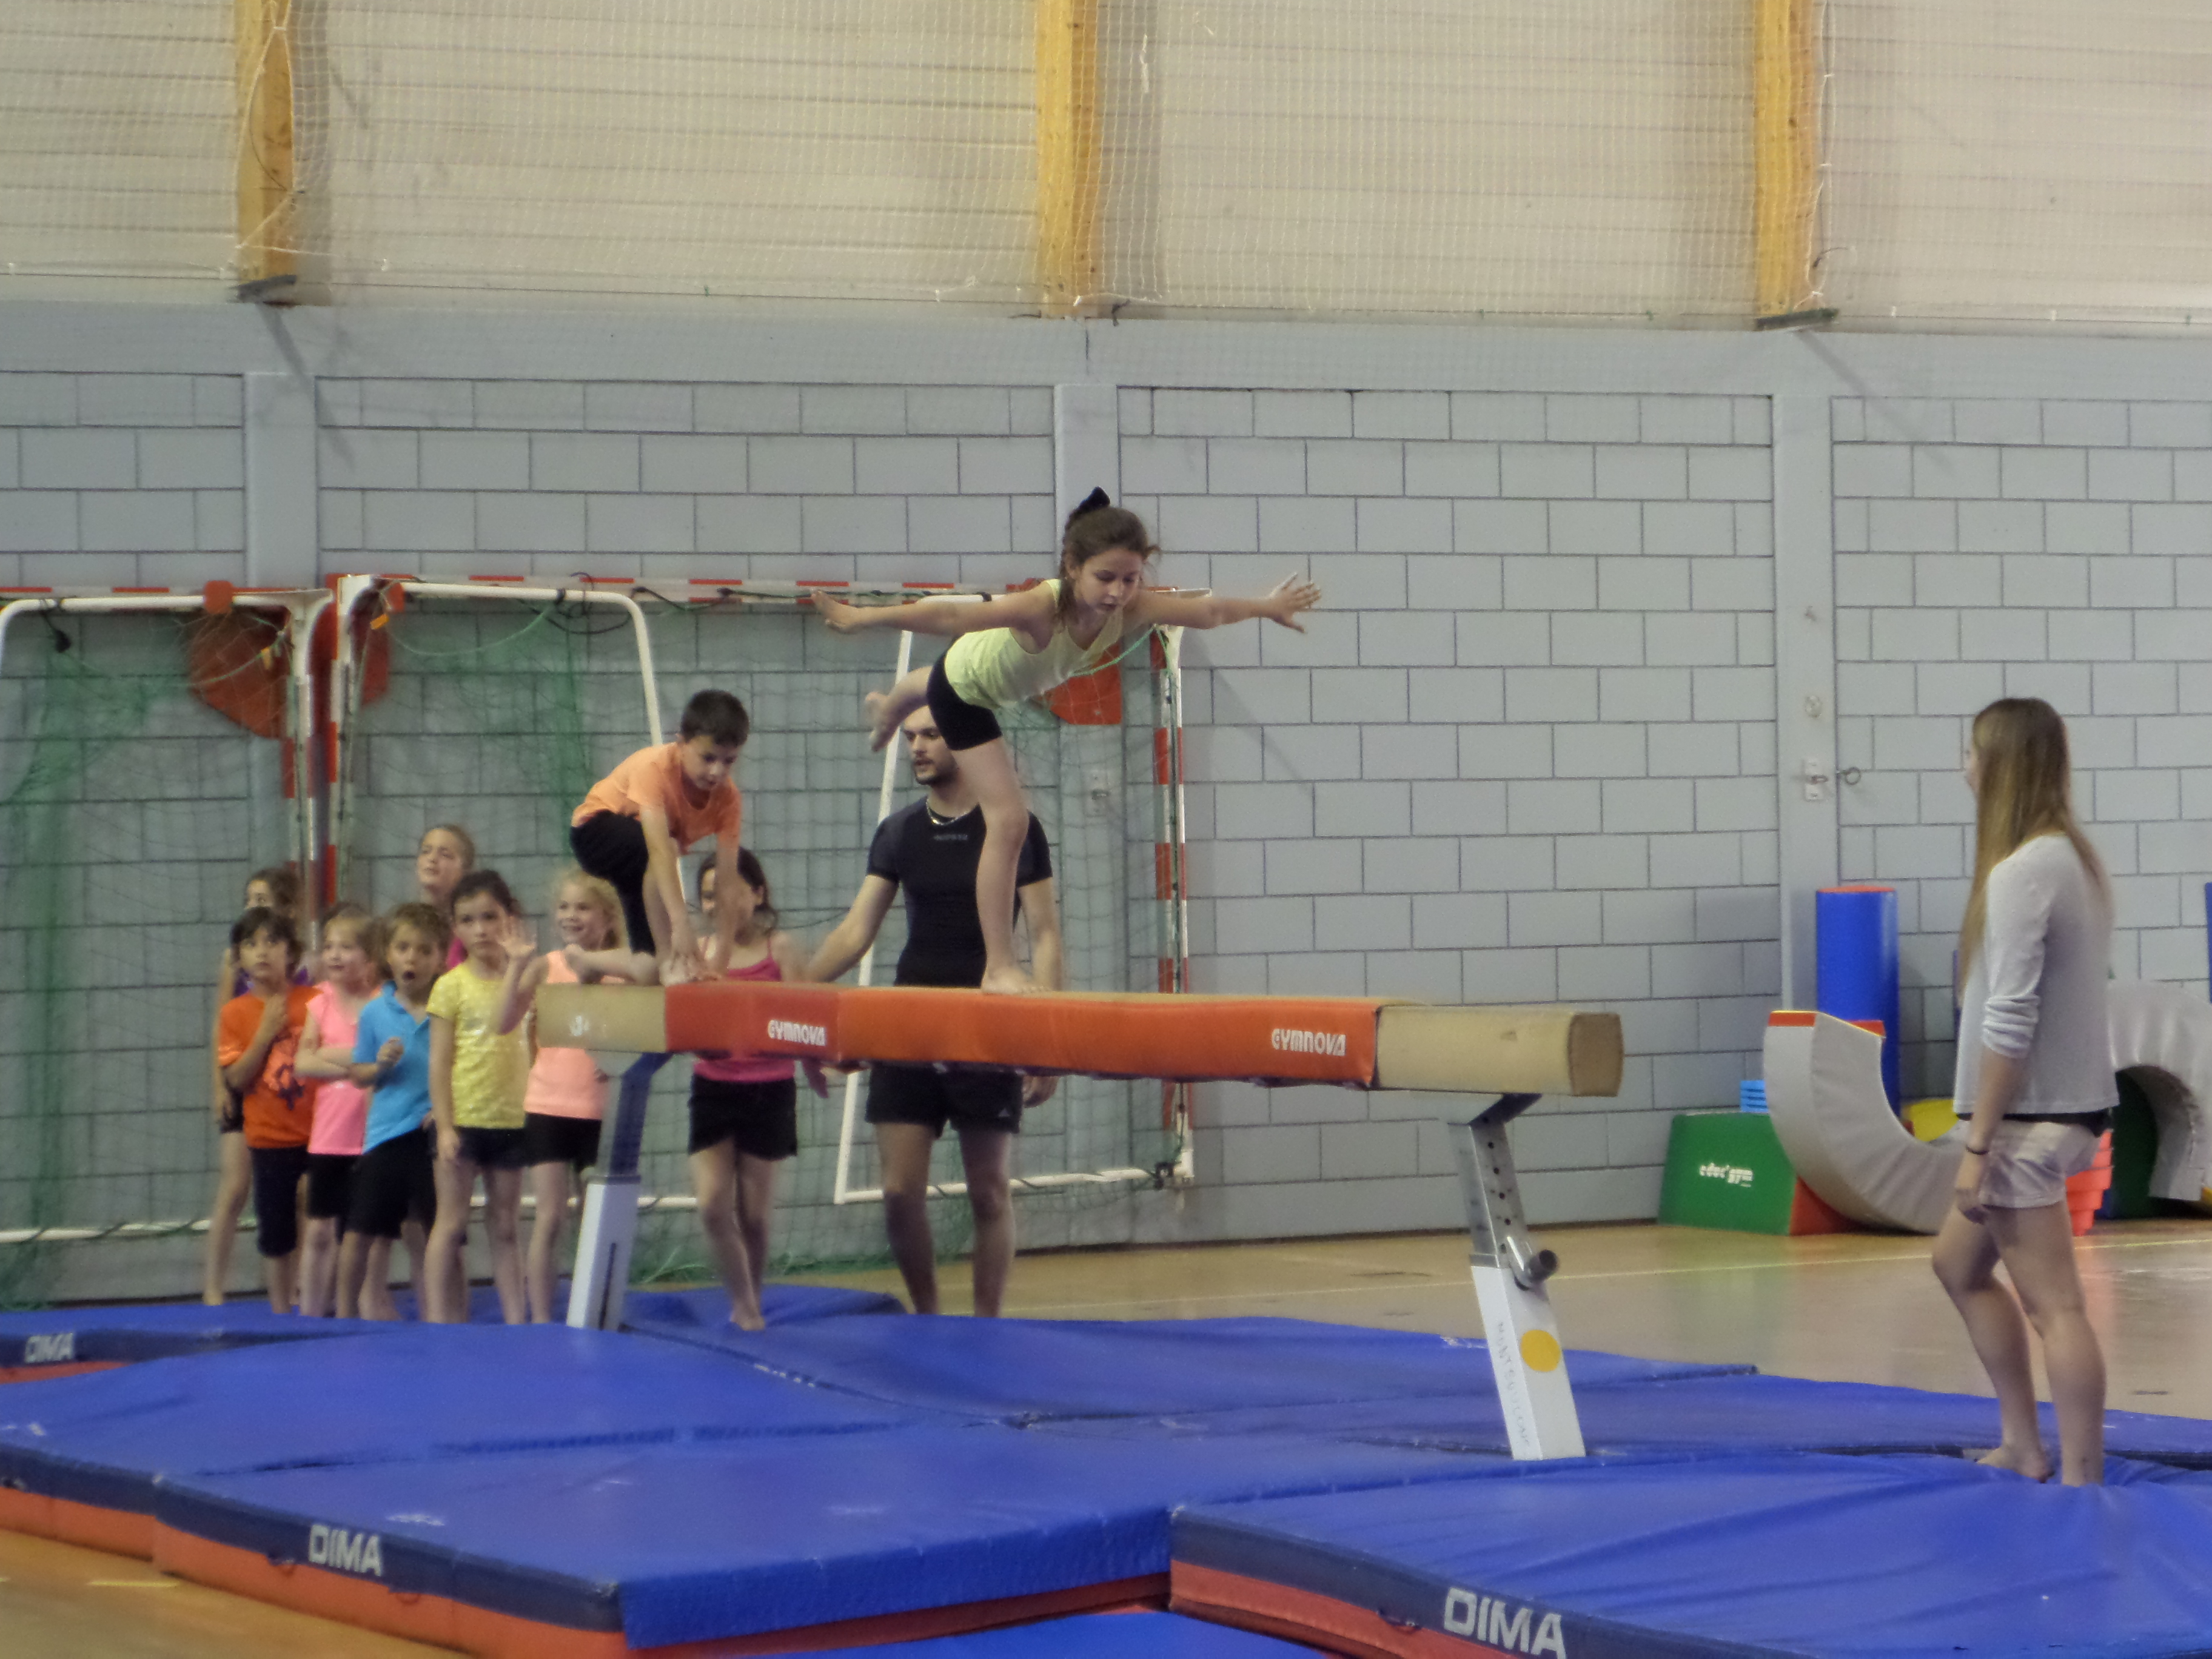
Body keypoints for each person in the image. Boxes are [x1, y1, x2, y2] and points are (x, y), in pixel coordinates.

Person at [820, 490, 1318, 994]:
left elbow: (1208, 611)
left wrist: (1269, 606)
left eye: (1130, 578)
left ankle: (890, 708)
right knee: (1010, 821)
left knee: (935, 680)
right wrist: (861, 618)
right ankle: (998, 967)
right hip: (964, 695)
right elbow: (948, 618)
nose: (1118, 592)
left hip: (979, 672)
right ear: (1073, 567)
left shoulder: (1131, 608)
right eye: (1105, 577)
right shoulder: (1043, 606)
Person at [806, 706, 1064, 1316]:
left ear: (965, 743)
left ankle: (985, 1323)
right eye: (910, 737)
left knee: (989, 1192)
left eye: (931, 735)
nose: (916, 747)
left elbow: (1046, 934)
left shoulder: (1014, 827)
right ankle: (927, 1315)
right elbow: (855, 932)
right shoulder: (899, 832)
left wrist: (1049, 1038)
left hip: (988, 1022)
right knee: (899, 1191)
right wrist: (794, 990)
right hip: (911, 1023)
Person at [1932, 697, 2115, 1487]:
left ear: (2002, 766)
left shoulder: (2023, 874)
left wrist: (1978, 1146)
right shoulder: (2070, 859)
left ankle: (2081, 1475)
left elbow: (2010, 1022)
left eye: (1972, 754)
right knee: (1957, 1265)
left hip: (2028, 1122)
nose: (1965, 769)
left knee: (2055, 1306)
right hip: (2054, 1110)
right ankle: (2024, 1444)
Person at [687, 850, 814, 1330]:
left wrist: (816, 1065)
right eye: (707, 897)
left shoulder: (780, 950)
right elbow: (688, 1024)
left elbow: (805, 1018)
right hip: (713, 1087)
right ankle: (742, 1299)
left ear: (757, 894)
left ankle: (752, 1300)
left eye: (726, 892)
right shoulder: (701, 953)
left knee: (755, 1216)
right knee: (712, 1205)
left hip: (769, 1090)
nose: (716, 905)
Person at [498, 871, 628, 1323]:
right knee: (550, 1216)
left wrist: (620, 1055)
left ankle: (594, 1311)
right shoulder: (546, 966)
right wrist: (515, 966)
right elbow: (502, 1022)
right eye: (565, 907)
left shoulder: (623, 970)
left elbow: (645, 1031)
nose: (572, 915)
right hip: (549, 1106)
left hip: (599, 1109)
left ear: (607, 918)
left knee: (595, 1219)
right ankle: (541, 1317)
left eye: (583, 907)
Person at [568, 689, 748, 983]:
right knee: (666, 847)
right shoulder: (655, 768)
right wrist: (681, 924)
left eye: (729, 761)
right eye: (708, 758)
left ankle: (585, 962)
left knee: (646, 969)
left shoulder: (729, 800)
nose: (717, 771)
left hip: (641, 864)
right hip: (594, 831)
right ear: (681, 744)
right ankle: (668, 961)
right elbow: (659, 850)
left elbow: (727, 883)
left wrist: (721, 960)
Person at [426, 870, 535, 1324]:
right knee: (451, 1223)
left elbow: (531, 1043)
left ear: (510, 918)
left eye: (490, 917)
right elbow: (439, 1062)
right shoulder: (450, 986)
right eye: (468, 921)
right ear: (455, 927)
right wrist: (445, 1126)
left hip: (510, 1120)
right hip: (465, 1119)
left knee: (505, 1225)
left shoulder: (525, 980)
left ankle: (515, 1319)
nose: (481, 930)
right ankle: (437, 1319)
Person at [202, 866, 307, 1304]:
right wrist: (219, 1087)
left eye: (261, 900)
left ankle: (296, 1282)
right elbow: (220, 1024)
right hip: (244, 1077)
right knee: (235, 1187)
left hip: (288, 1093)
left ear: (287, 909)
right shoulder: (235, 961)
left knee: (296, 1195)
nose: (252, 907)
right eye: (248, 900)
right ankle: (213, 1286)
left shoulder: (302, 965)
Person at [339, 903, 449, 1321]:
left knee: (439, 1234)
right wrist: (380, 1065)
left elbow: (462, 1067)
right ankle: (345, 1315)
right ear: (388, 954)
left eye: (424, 950)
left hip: (432, 1135)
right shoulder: (375, 1012)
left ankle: (443, 1316)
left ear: (439, 958)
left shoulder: (448, 1007)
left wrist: (446, 1110)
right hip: (386, 1135)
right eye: (403, 948)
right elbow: (359, 1074)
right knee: (360, 1233)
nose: (412, 959)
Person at [292, 903, 381, 1318]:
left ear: (369, 957)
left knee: (358, 1234)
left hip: (368, 1136)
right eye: (329, 947)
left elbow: (382, 1059)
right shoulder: (320, 1003)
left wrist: (332, 1055)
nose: (334, 955)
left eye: (346, 947)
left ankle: (354, 1309)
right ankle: (312, 1310)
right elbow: (302, 1063)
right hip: (328, 1138)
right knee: (319, 1230)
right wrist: (357, 1062)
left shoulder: (379, 1004)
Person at [415, 823, 477, 969]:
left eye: (445, 855)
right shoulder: (404, 922)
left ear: (465, 870)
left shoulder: (474, 928)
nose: (432, 859)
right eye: (426, 851)